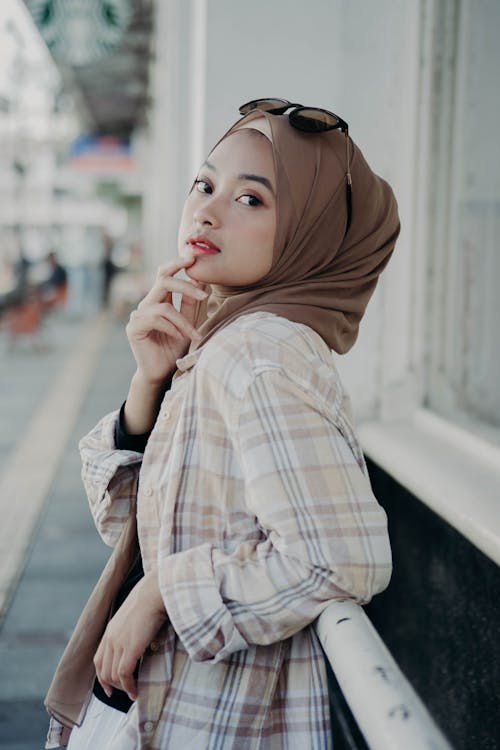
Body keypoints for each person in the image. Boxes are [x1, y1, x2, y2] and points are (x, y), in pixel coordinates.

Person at [45, 98, 400, 749]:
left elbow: (339, 558)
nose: (207, 211)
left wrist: (160, 594)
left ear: (311, 233)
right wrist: (149, 382)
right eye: (206, 184)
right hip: (165, 694)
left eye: (253, 200)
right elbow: (138, 526)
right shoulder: (220, 341)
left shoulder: (259, 351)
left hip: (207, 707)